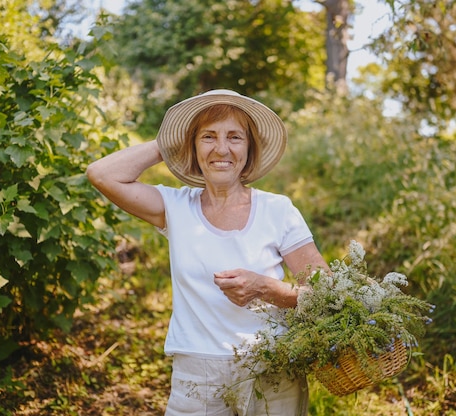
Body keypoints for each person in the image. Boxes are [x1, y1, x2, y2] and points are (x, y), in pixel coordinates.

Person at [86, 89, 328, 415]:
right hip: (196, 375)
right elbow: (101, 174)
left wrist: (266, 289)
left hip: (273, 366)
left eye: (235, 137)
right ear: (194, 146)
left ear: (249, 148)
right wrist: (169, 143)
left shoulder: (278, 210)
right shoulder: (174, 207)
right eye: (208, 137)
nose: (222, 148)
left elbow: (325, 293)